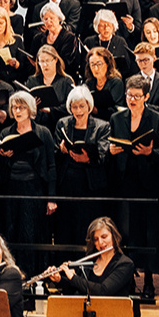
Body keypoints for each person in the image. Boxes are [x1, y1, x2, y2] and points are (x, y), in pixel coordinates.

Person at [109, 75, 159, 300]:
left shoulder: (157, 118)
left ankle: (149, 281)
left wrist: (150, 153)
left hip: (149, 184)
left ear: (146, 96)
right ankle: (127, 278)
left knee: (150, 233)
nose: (131, 99)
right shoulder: (117, 118)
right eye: (129, 95)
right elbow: (111, 145)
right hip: (124, 183)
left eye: (136, 96)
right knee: (126, 232)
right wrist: (111, 151)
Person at [0, 91, 57, 276]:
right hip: (12, 189)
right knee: (11, 231)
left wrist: (51, 198)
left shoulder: (43, 132)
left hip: (34, 189)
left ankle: (34, 275)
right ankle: (15, 274)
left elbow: (51, 166)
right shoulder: (6, 132)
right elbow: (0, 169)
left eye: (22, 107)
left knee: (31, 232)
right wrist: (4, 157)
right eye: (14, 107)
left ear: (30, 109)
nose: (18, 110)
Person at [54, 86, 112, 246]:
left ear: (89, 106)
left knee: (87, 226)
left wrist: (87, 159)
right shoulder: (62, 124)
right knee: (66, 227)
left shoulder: (102, 126)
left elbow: (103, 155)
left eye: (82, 106)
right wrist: (61, 150)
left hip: (90, 184)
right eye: (74, 107)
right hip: (67, 183)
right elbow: (54, 155)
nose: (78, 110)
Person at [26, 44, 75, 130]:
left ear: (55, 60)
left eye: (48, 61)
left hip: (59, 125)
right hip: (36, 126)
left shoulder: (66, 81)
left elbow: (71, 106)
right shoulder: (32, 81)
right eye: (42, 61)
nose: (45, 65)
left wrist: (50, 110)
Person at [28, 2, 78, 77]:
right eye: (45, 19)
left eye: (52, 18)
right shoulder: (38, 38)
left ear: (59, 19)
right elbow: (31, 60)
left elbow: (66, 64)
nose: (48, 22)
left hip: (62, 77)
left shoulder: (69, 37)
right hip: (41, 76)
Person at [133, 42, 159, 129]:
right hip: (139, 127)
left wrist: (144, 106)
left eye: (146, 60)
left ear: (154, 58)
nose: (143, 64)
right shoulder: (130, 81)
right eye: (139, 61)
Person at [84, 9, 133, 78]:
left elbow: (127, 67)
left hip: (115, 79)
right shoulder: (89, 41)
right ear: (97, 27)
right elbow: (84, 67)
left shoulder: (120, 41)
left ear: (113, 26)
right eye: (102, 25)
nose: (106, 28)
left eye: (109, 25)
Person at [84, 46, 125, 122]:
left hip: (112, 122)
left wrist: (96, 111)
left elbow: (117, 110)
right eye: (92, 65)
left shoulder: (116, 83)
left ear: (107, 64)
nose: (96, 69)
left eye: (99, 64)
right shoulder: (89, 83)